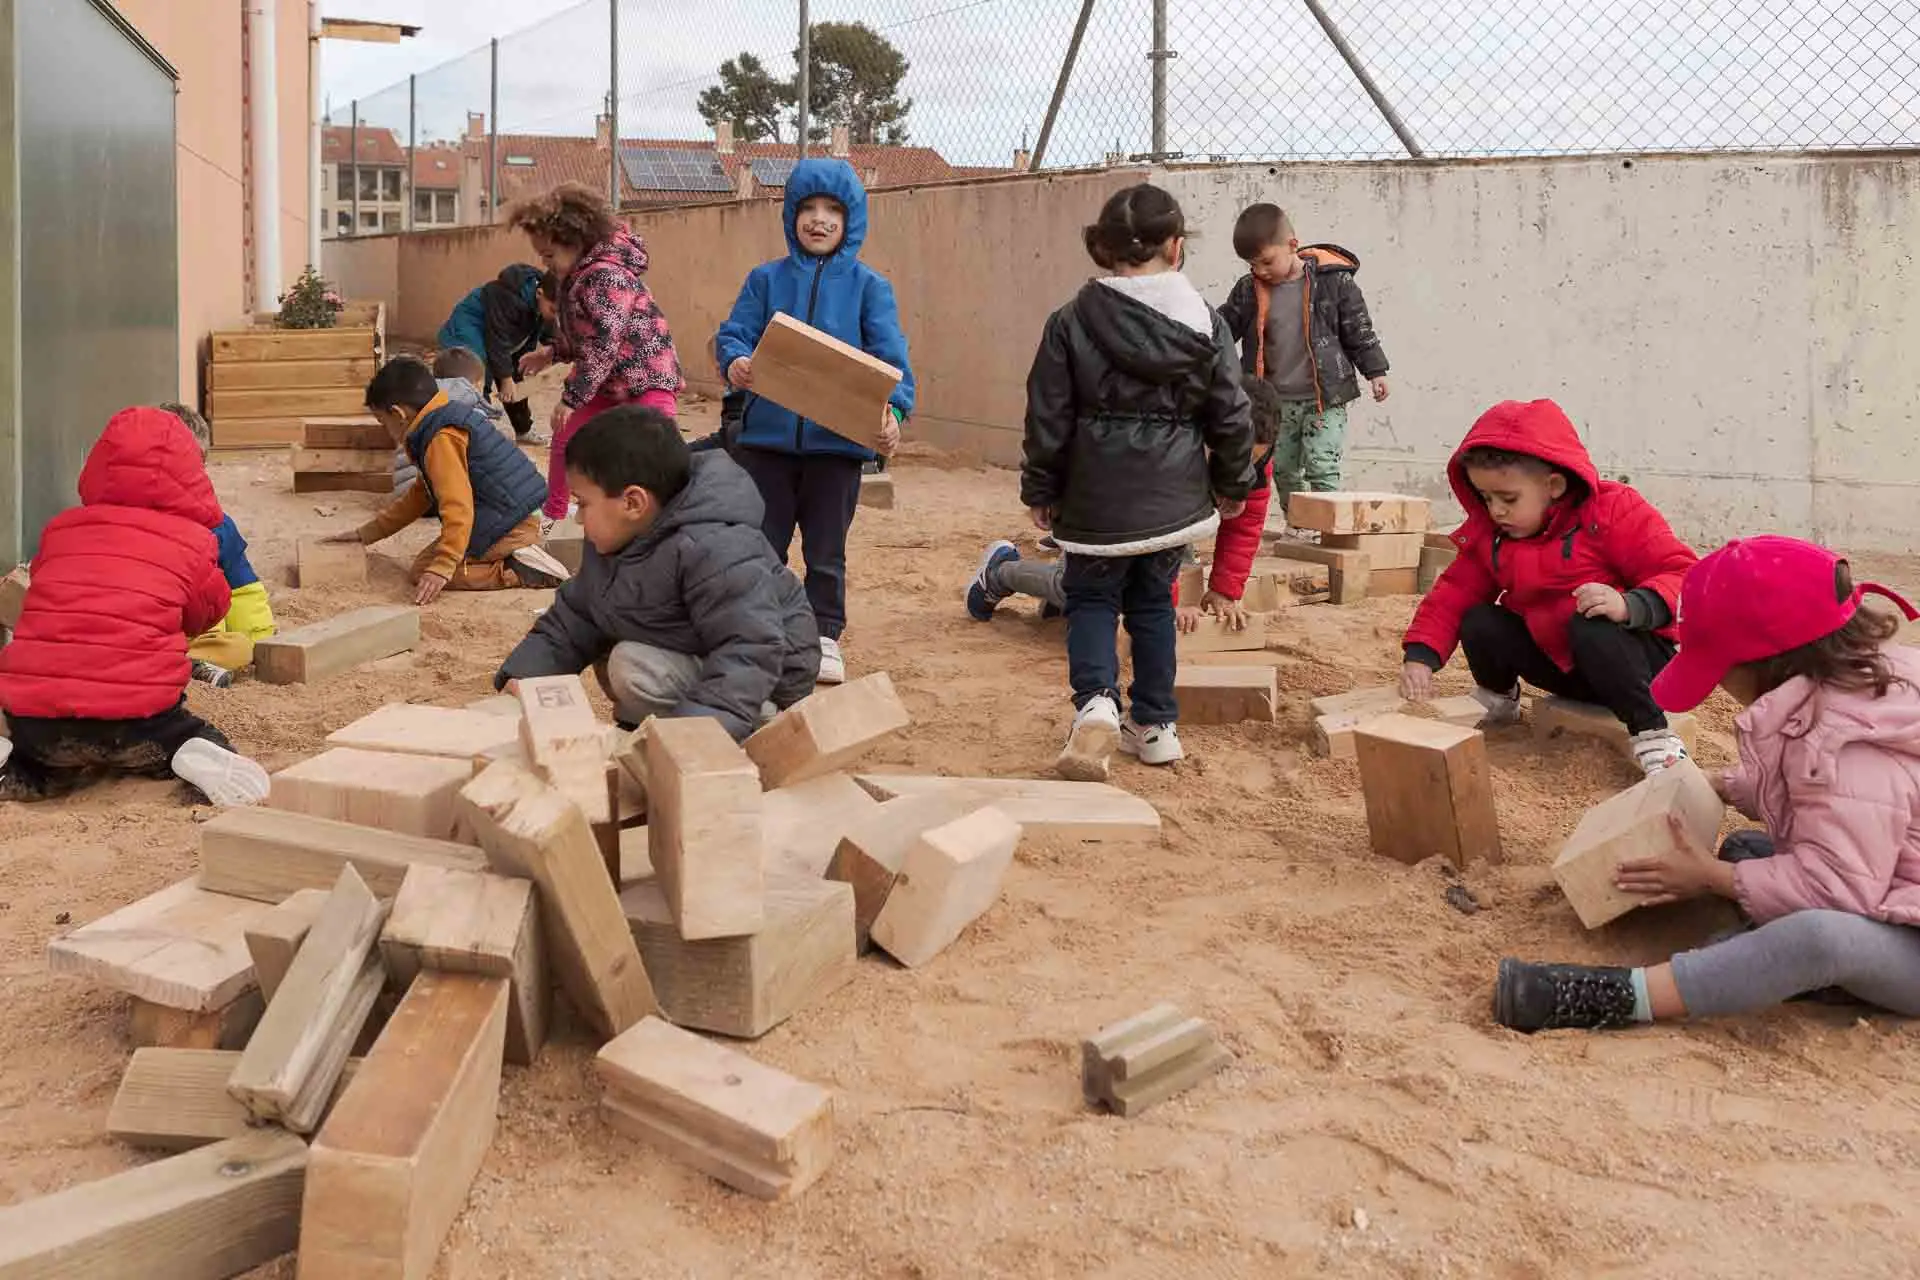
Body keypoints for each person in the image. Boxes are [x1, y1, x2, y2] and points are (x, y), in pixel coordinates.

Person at [1495, 536, 1920, 1031]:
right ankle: (1781, 969)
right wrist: (1721, 785)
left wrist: (1711, 878)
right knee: (1744, 846)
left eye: (1719, 668)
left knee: (1817, 937)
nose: (1716, 684)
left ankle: (1623, 997)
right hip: (1891, 882)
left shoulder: (1852, 746)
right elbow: (1815, 792)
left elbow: (1839, 888)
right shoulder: (1847, 686)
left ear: (1767, 663)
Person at [1020, 182, 1254, 781]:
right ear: (1176, 247)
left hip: (1094, 496)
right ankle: (1155, 726)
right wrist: (1234, 482)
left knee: (1093, 599)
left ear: (1102, 249)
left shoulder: (1070, 321)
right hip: (1172, 499)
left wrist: (1041, 488)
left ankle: (1096, 702)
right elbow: (1231, 413)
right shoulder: (1206, 323)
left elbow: (1047, 412)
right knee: (1154, 604)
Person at [1399, 398, 1697, 775]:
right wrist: (1421, 655)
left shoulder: (1613, 510)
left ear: (1554, 485)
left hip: (1637, 665)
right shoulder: (1495, 535)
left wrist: (1629, 605)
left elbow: (1685, 574)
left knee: (1590, 621)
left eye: (1508, 499)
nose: (1496, 511)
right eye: (1485, 498)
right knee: (1479, 617)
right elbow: (1454, 592)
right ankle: (1500, 698)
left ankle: (1653, 734)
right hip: (1566, 668)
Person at [494, 406, 819, 740]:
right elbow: (576, 616)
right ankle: (651, 727)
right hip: (697, 653)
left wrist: (689, 741)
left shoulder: (713, 546)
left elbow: (750, 649)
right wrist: (526, 676)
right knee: (612, 648)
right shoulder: (615, 538)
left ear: (633, 502)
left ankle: (750, 725)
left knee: (631, 664)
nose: (578, 518)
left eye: (584, 502)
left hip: (768, 680)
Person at [0, 407, 269, 805]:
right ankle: (187, 749)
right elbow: (207, 611)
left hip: (36, 718)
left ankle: (17, 767)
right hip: (136, 721)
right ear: (192, 474)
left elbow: (45, 588)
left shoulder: (61, 530)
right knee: (178, 735)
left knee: (39, 760)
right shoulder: (193, 542)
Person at [715, 158, 914, 687]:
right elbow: (733, 334)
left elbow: (892, 362)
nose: (819, 219)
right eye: (807, 208)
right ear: (790, 216)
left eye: (833, 210)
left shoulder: (871, 288)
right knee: (761, 544)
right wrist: (735, 362)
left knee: (826, 551)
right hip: (767, 445)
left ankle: (824, 635)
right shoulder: (765, 279)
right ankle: (758, 630)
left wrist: (893, 415)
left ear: (852, 221)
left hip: (837, 449)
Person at [968, 410, 1278, 626]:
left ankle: (1063, 602)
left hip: (1163, 516)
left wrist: (1224, 590)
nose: (1243, 466)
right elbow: (1159, 531)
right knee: (1085, 588)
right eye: (1238, 455)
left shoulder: (1254, 459)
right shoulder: (1172, 442)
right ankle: (999, 572)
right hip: (1101, 505)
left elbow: (1244, 526)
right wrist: (1167, 606)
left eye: (1253, 459)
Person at [321, 357, 569, 604]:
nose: (385, 430)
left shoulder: (441, 437)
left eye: (382, 422)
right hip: (517, 512)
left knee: (423, 570)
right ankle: (516, 555)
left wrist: (444, 564)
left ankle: (515, 572)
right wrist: (365, 534)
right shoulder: (442, 418)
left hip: (512, 524)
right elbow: (420, 495)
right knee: (435, 561)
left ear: (398, 414)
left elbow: (456, 505)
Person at [510, 184, 681, 527]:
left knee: (658, 456)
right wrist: (553, 351)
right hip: (607, 383)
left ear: (576, 240)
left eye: (549, 256)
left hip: (645, 379)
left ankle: (673, 523)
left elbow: (604, 343)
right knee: (565, 435)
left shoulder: (605, 276)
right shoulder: (579, 276)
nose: (546, 263)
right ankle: (554, 514)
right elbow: (586, 337)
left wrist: (572, 397)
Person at [1217, 203, 1389, 511]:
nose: (1260, 271)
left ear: (1292, 245)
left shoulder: (1334, 282)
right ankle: (1297, 525)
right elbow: (1224, 327)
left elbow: (1358, 329)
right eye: (1252, 265)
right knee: (1283, 468)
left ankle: (1327, 527)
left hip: (1325, 397)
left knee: (1321, 463)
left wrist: (1376, 371)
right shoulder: (1249, 290)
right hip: (1276, 401)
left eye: (1267, 261)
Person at [157, 403, 276, 689]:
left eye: (193, 467)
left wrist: (263, 643)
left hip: (203, 638)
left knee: (237, 647)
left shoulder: (219, 526)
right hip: (153, 634)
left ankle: (189, 664)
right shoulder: (135, 520)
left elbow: (243, 589)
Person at [435, 263, 557, 442]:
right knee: (474, 376)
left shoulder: (544, 304)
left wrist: (556, 349)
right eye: (554, 310)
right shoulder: (508, 297)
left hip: (500, 337)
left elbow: (550, 335)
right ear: (539, 293)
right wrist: (505, 378)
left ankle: (523, 430)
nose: (556, 316)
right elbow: (497, 340)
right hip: (470, 327)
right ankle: (472, 434)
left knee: (517, 376)